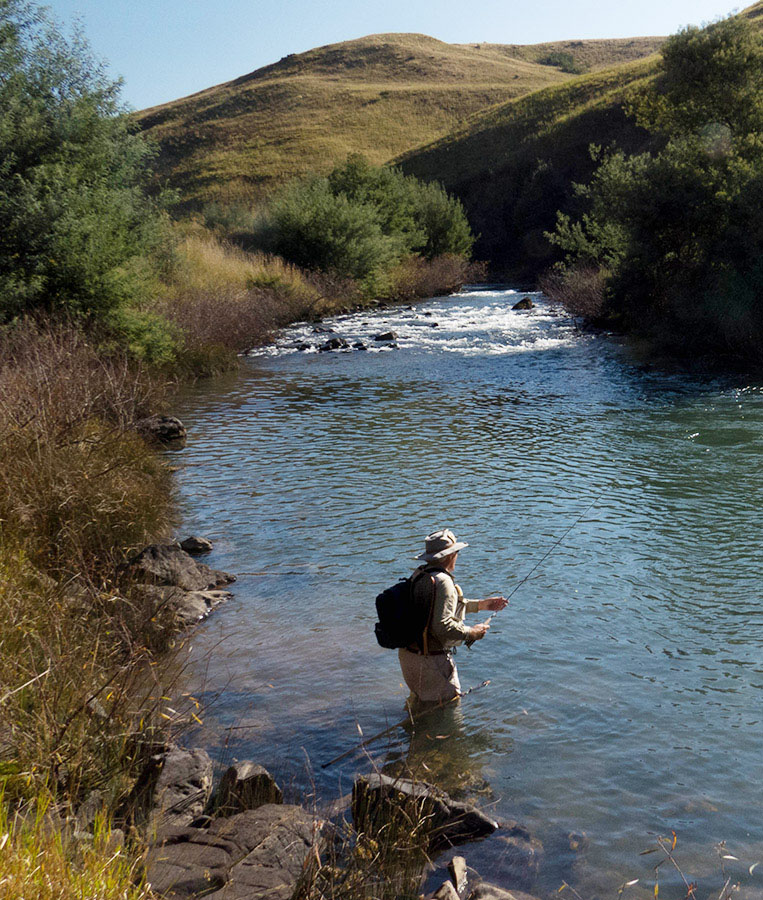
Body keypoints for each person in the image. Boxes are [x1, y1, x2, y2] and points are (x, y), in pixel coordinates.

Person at [398, 529, 508, 704]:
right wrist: (472, 632)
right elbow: (442, 625)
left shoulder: (420, 574)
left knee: (420, 707)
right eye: (456, 552)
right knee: (448, 714)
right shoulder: (444, 582)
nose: (457, 555)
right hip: (431, 663)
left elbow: (435, 610)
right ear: (450, 555)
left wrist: (482, 605)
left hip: (409, 657)